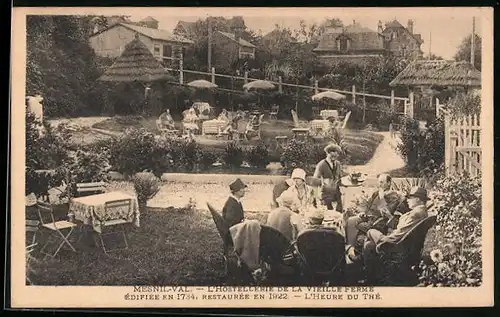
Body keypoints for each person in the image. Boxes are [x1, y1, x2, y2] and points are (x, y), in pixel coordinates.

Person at [362, 186, 429, 282]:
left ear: (418, 199)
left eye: (410, 198)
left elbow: (399, 235)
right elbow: (404, 229)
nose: (407, 200)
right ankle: (371, 275)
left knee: (370, 232)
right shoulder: (420, 212)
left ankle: (368, 274)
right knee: (369, 245)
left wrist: (385, 240)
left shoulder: (416, 214)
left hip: (396, 245)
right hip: (403, 243)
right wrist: (390, 217)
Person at [345, 174, 408, 256]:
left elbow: (386, 212)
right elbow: (368, 206)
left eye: (382, 182)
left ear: (389, 183)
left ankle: (354, 250)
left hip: (379, 222)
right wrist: (364, 213)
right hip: (368, 218)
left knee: (357, 226)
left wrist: (382, 198)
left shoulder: (394, 196)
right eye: (378, 182)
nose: (379, 184)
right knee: (350, 221)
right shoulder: (376, 193)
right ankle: (351, 248)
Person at [313, 143, 344, 212]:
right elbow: (315, 180)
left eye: (336, 156)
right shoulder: (321, 164)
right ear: (327, 153)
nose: (334, 158)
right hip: (325, 194)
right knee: (327, 214)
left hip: (337, 193)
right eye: (332, 156)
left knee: (339, 213)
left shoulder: (338, 164)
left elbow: (340, 177)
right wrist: (323, 182)